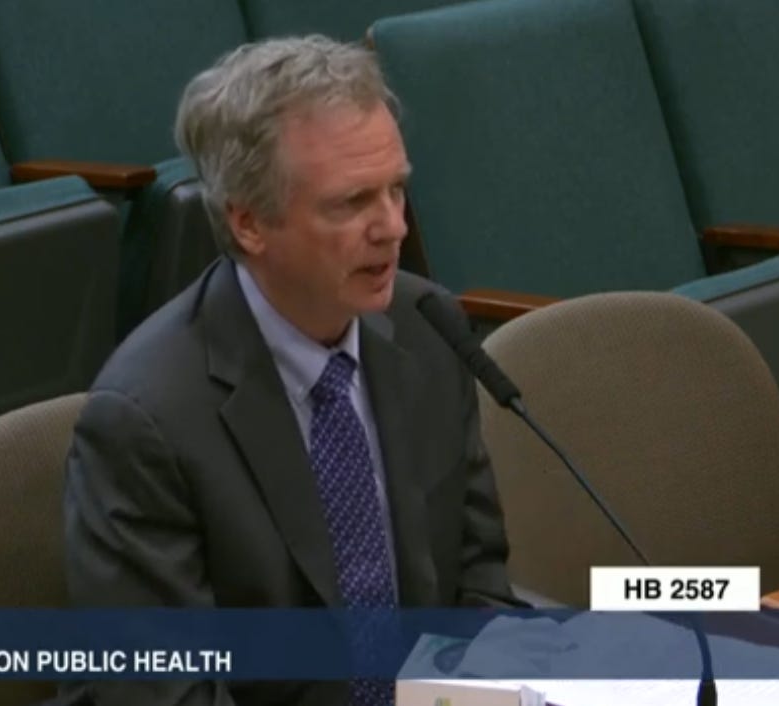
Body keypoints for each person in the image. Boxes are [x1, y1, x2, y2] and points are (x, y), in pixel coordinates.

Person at [63, 35, 520, 706]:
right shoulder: (145, 419)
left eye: (396, 190)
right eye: (351, 202)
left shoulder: (427, 330)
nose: (392, 227)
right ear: (249, 223)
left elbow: (475, 581)